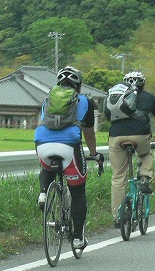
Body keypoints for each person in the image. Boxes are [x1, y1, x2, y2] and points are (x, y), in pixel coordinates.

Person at [34, 66, 100, 250]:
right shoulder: (85, 101)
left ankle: (43, 192)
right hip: (69, 147)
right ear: (78, 85)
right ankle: (78, 238)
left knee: (46, 168)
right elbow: (89, 134)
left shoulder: (47, 100)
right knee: (78, 192)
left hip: (42, 143)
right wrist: (93, 154)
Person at [105, 71, 155, 228]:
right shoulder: (149, 97)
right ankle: (144, 178)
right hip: (140, 136)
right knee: (146, 154)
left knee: (118, 176)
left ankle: (118, 216)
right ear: (143, 84)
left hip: (116, 137)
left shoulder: (118, 97)